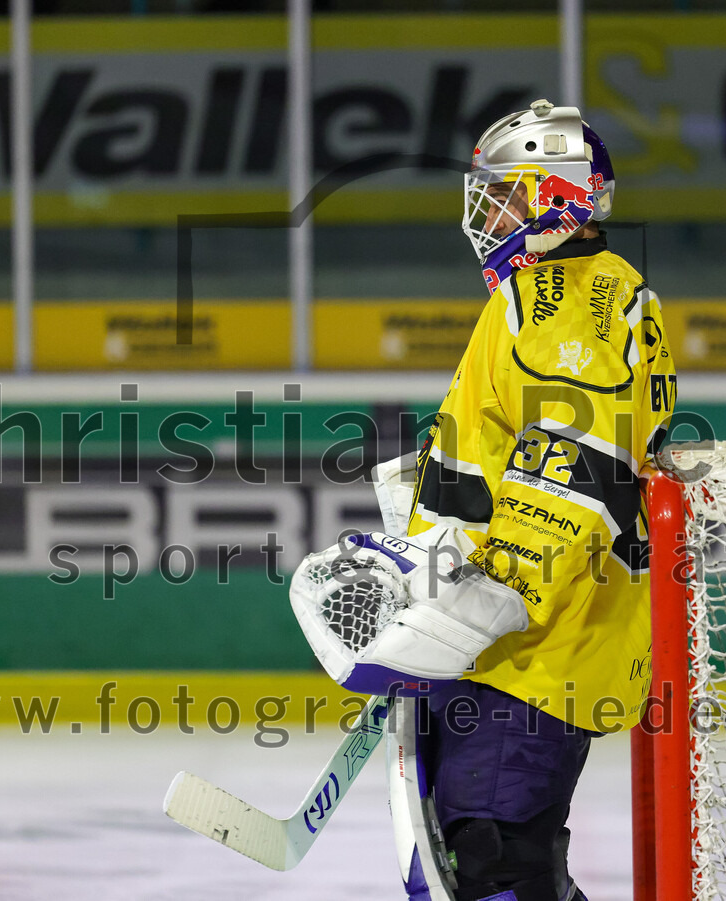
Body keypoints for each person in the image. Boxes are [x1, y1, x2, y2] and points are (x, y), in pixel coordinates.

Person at [292, 99, 676, 901]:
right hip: (518, 646)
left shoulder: (567, 305)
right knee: (490, 851)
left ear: (555, 198)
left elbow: (577, 463)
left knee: (495, 862)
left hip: (530, 647)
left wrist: (485, 597)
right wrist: (432, 528)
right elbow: (516, 446)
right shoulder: (564, 291)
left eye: (504, 194)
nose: (488, 213)